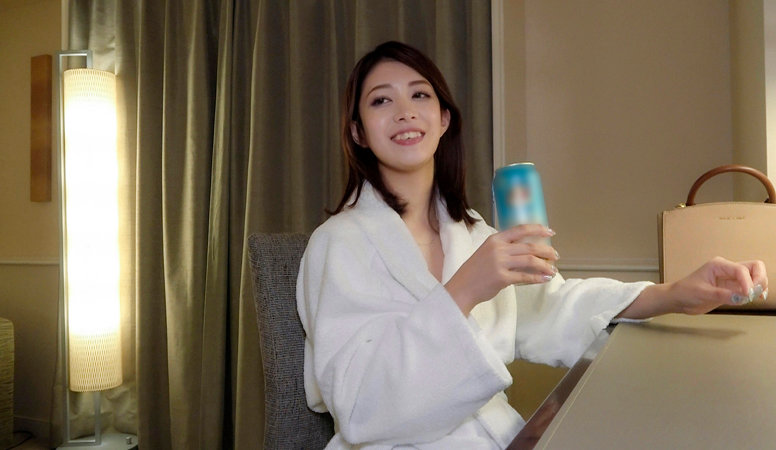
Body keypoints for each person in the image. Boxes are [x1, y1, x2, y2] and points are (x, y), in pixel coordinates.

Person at [296, 41, 768, 449]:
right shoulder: (337, 245)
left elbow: (553, 307)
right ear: (357, 131)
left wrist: (675, 294)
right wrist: (465, 289)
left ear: (443, 119)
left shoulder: (474, 234)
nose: (404, 111)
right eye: (381, 100)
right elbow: (359, 406)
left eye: (420, 94)